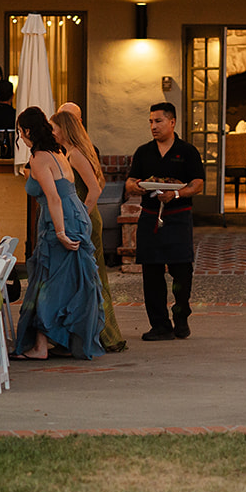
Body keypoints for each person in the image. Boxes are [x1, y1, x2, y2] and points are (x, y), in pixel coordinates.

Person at [11, 106, 104, 360]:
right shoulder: (58, 152)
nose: (20, 137)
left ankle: (41, 346)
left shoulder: (39, 158)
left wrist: (60, 232)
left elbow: (53, 197)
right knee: (69, 281)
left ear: (27, 131)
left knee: (47, 281)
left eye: (20, 132)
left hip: (59, 219)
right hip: (76, 215)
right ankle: (62, 340)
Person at [126, 101, 205, 341]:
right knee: (151, 273)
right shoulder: (143, 152)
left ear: (172, 122)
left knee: (182, 271)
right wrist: (138, 187)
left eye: (158, 121)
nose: (153, 126)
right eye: (151, 122)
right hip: (150, 217)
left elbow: (198, 184)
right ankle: (160, 325)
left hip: (178, 217)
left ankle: (181, 317)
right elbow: (130, 182)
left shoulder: (187, 151)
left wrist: (176, 194)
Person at [51, 108, 128, 353]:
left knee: (92, 277)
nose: (51, 133)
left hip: (86, 220)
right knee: (84, 278)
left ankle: (106, 335)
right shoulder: (68, 153)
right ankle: (91, 334)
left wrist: (81, 216)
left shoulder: (75, 155)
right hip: (82, 219)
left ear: (64, 129)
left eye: (54, 128)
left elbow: (94, 189)